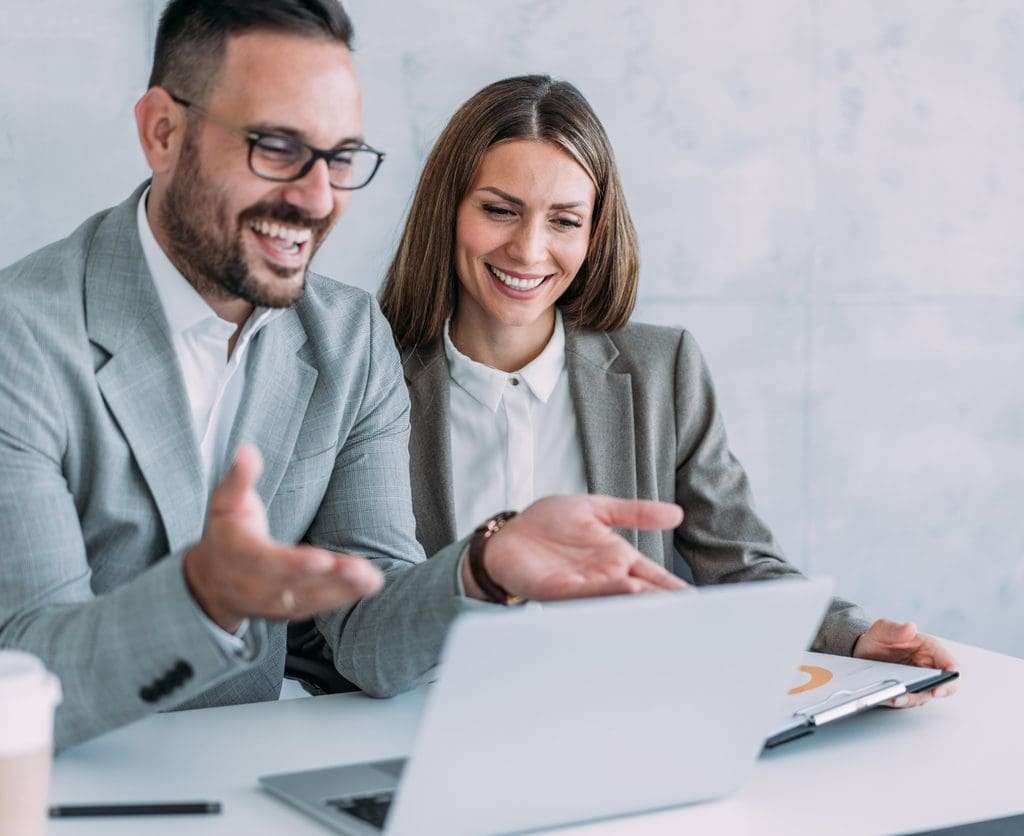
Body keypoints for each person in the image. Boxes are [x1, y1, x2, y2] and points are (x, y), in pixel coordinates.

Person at [0, 3, 688, 750]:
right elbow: (27, 673)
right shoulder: (21, 336)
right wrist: (202, 599)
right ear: (163, 132)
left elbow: (367, 635)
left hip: (245, 773)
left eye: (340, 157)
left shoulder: (349, 337)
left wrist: (483, 567)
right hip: (52, 784)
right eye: (276, 147)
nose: (318, 198)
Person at [379, 75, 958, 707]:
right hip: (425, 718)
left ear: (594, 234)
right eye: (499, 210)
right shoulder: (373, 378)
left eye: (565, 221)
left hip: (626, 714)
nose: (529, 249)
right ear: (448, 209)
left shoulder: (662, 369)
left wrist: (853, 638)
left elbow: (739, 565)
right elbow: (349, 617)